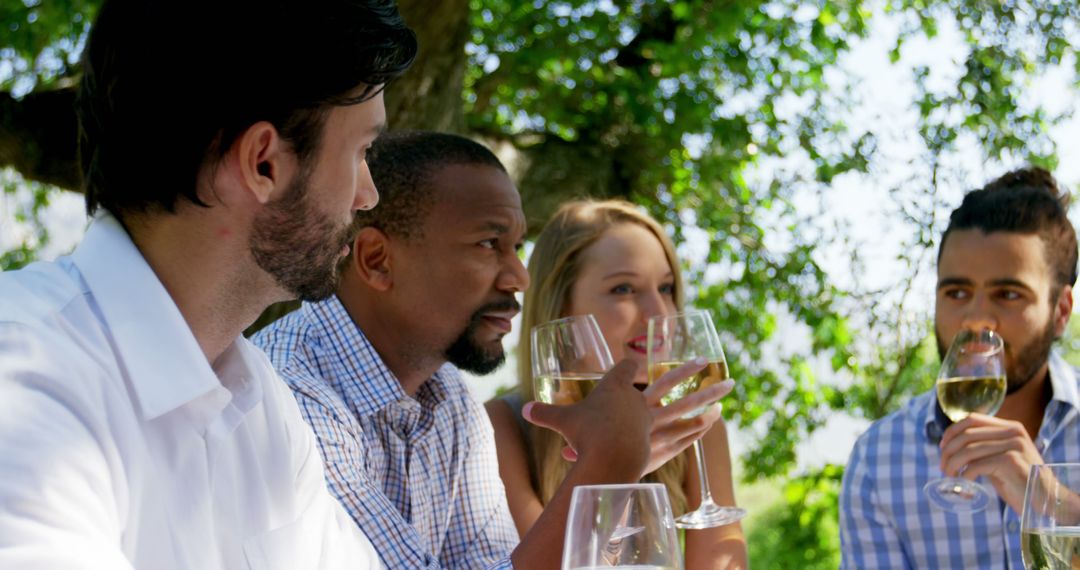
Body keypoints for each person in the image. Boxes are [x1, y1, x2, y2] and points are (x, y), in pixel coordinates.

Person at [0, 1, 417, 568]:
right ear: (263, 163)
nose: (368, 195)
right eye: (362, 152)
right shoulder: (24, 379)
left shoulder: (260, 398)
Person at [253, 131, 731, 570]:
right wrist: (604, 467)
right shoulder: (292, 399)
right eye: (488, 244)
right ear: (378, 261)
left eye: (517, 246)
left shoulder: (450, 401)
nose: (520, 278)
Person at [485, 199, 749, 569]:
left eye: (667, 288)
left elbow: (723, 563)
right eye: (624, 289)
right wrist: (619, 461)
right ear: (561, 307)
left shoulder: (694, 423)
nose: (660, 312)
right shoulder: (502, 426)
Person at [840, 167, 1078, 568]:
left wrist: (1050, 503)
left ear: (1060, 312)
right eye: (957, 292)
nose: (976, 319)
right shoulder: (879, 460)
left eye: (1008, 293)